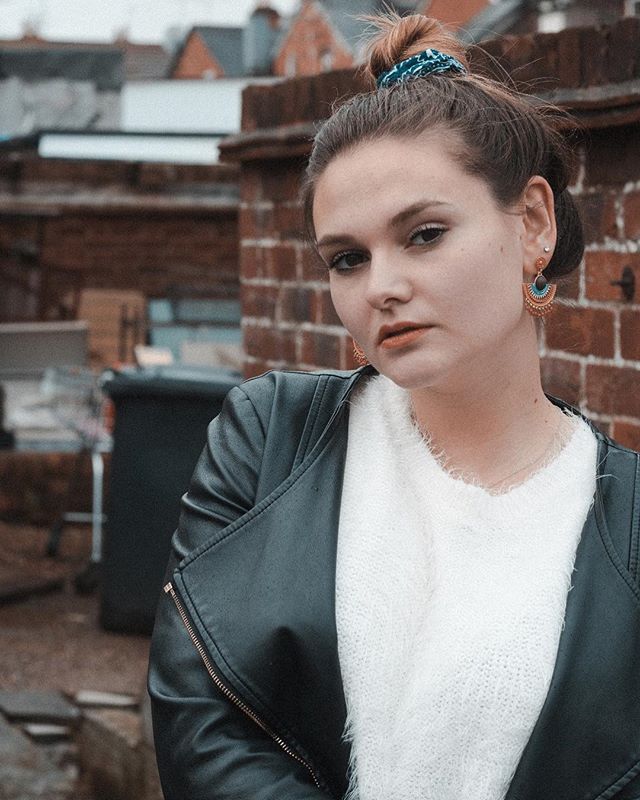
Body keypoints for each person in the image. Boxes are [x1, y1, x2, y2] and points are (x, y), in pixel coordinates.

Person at [148, 12, 640, 800]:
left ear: (535, 224)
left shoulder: (629, 522)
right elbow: (201, 723)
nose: (380, 287)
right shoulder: (271, 439)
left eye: (424, 234)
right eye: (348, 258)